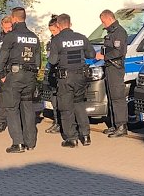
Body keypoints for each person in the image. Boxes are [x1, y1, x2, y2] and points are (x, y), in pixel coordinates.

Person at [0, 7, 41, 153]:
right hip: (30, 76)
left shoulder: (11, 36)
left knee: (12, 108)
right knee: (28, 107)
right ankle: (30, 142)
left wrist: (1, 74)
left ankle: (18, 143)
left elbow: (2, 57)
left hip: (15, 76)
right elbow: (38, 60)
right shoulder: (34, 37)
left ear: (14, 18)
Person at [48, 13, 95, 147]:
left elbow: (52, 61)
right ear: (70, 23)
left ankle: (71, 138)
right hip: (81, 77)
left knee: (66, 108)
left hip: (65, 78)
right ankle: (85, 136)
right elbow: (91, 54)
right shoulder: (81, 37)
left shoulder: (57, 40)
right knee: (79, 105)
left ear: (58, 25)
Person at [96, 9, 129, 138]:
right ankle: (114, 124)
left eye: (103, 22)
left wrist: (103, 57)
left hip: (116, 67)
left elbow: (119, 52)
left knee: (117, 97)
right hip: (109, 67)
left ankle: (121, 126)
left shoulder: (119, 32)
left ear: (110, 18)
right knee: (111, 97)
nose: (103, 24)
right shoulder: (111, 32)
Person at [43, 15, 62, 134]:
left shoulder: (62, 41)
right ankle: (56, 122)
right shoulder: (52, 41)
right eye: (51, 31)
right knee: (53, 99)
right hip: (52, 72)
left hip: (61, 73)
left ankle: (61, 123)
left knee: (61, 100)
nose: (52, 33)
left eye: (54, 30)